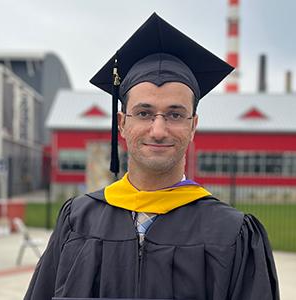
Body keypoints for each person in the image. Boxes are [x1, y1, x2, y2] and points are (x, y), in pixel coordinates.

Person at [24, 13, 279, 300]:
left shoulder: (232, 234)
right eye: (144, 113)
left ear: (193, 126)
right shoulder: (78, 220)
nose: (158, 130)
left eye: (175, 114)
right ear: (122, 123)